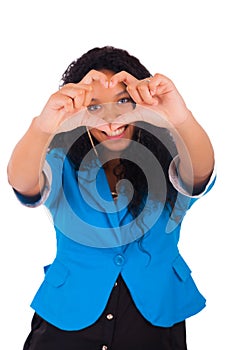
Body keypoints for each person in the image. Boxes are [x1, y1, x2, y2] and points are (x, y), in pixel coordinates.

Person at [7, 46, 215, 350]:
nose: (111, 117)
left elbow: (200, 173)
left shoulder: (168, 154)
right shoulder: (60, 158)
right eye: (94, 107)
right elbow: (23, 181)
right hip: (69, 319)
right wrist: (45, 126)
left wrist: (178, 118)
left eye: (123, 101)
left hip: (154, 316)